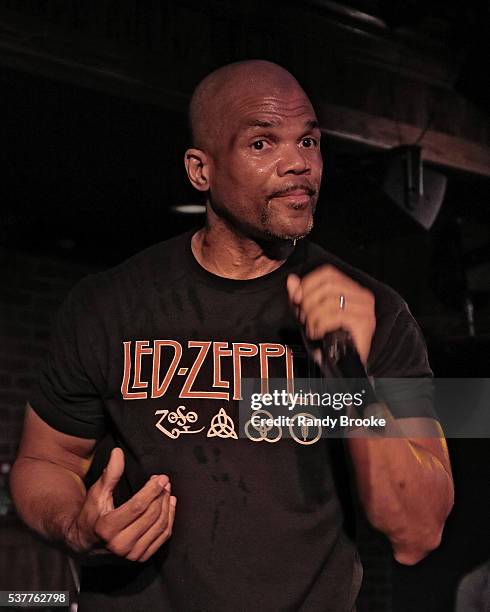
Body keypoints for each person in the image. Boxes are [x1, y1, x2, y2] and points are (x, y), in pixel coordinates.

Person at [11, 60, 454, 611]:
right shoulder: (108, 303)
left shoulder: (379, 312)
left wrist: (346, 371)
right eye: (263, 144)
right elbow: (45, 462)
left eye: (310, 141)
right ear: (201, 170)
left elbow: (418, 532)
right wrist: (77, 527)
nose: (299, 164)